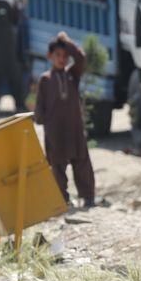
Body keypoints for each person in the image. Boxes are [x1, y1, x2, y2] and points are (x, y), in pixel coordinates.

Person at [34, 32, 96, 208]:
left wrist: (66, 42)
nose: (62, 59)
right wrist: (41, 120)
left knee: (82, 163)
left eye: (65, 56)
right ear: (49, 56)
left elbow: (81, 58)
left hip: (74, 128)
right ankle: (62, 199)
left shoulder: (72, 75)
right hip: (55, 130)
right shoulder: (45, 79)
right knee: (57, 166)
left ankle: (87, 196)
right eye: (58, 55)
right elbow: (40, 106)